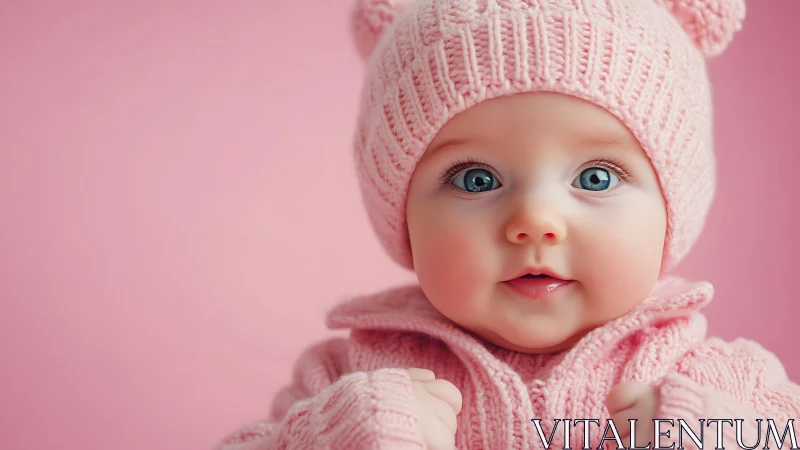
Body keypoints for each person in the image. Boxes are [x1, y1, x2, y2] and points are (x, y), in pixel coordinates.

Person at [214, 0, 800, 449]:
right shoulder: (349, 379)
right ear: (403, 216)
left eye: (596, 177)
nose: (535, 221)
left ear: (674, 210)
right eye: (475, 179)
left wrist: (711, 434)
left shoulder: (723, 381)